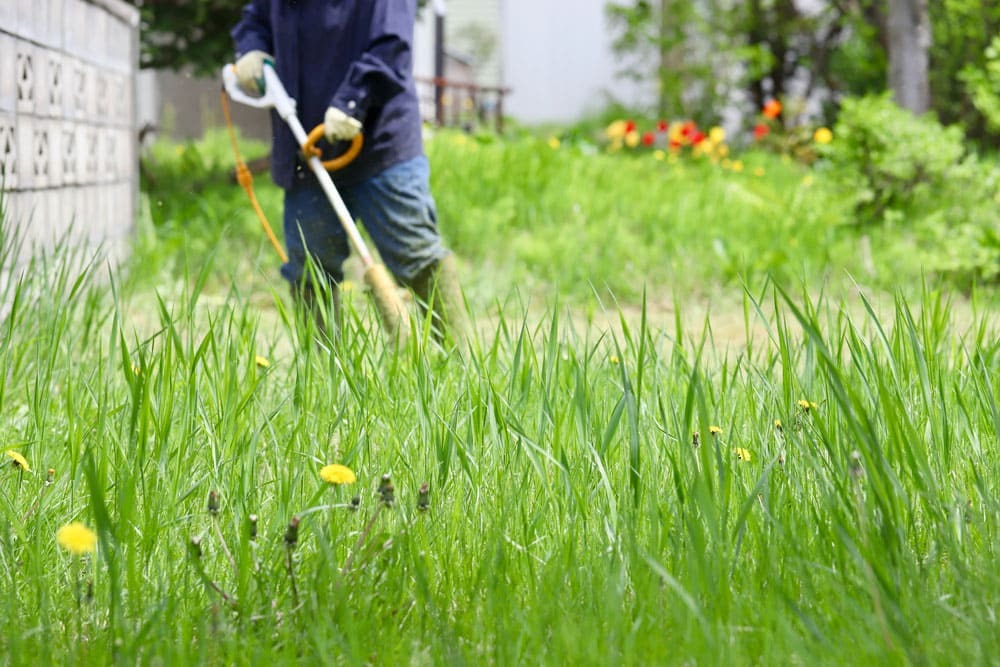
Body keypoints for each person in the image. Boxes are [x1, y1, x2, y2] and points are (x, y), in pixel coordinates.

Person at [232, 1, 468, 345]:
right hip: (306, 150)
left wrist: (351, 101)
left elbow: (391, 44)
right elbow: (256, 17)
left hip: (380, 146)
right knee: (310, 270)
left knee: (415, 255)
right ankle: (323, 376)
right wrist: (251, 47)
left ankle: (462, 366)